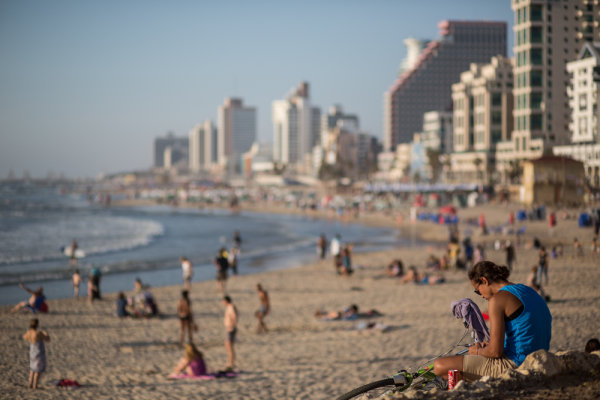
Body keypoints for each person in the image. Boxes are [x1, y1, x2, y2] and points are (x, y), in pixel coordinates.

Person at [433, 261, 552, 381]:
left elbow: (495, 352)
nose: (481, 295)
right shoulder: (527, 290)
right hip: (539, 357)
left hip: (516, 364)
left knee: (440, 366)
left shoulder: (496, 300)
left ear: (484, 280)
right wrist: (489, 347)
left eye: (478, 291)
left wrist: (478, 351)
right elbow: (524, 332)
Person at [23, 318, 50, 389]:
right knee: (37, 370)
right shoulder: (38, 333)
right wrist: (46, 334)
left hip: (32, 352)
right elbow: (47, 339)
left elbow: (24, 337)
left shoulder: (29, 332)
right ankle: (35, 385)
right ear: (37, 325)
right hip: (39, 353)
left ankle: (30, 384)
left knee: (32, 369)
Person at [223, 295, 238, 371]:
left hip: (230, 329)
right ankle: (230, 362)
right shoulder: (229, 307)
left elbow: (234, 317)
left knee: (229, 346)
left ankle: (231, 363)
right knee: (228, 346)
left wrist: (232, 326)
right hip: (229, 328)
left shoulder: (231, 307)